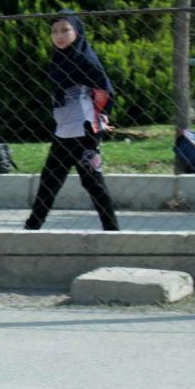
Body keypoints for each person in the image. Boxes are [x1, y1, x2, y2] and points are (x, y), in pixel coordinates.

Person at [24, 12, 120, 231]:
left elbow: (106, 90)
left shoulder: (85, 59)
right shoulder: (59, 59)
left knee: (92, 182)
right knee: (49, 181)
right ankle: (31, 229)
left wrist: (100, 119)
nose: (59, 36)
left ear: (77, 31)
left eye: (65, 30)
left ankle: (112, 230)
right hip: (64, 131)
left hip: (85, 132)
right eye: (55, 31)